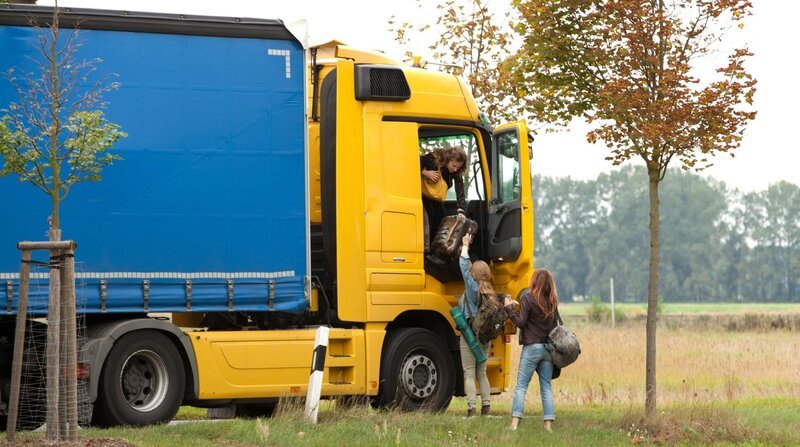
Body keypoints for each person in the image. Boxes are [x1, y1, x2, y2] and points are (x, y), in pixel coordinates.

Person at [503, 268, 559, 432]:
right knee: (546, 388)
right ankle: (548, 426)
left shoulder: (529, 298)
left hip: (531, 349)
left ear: (535, 282)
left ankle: (514, 424)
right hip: (547, 349)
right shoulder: (553, 301)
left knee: (521, 386)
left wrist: (509, 308)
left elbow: (520, 322)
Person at [457, 233, 494, 417]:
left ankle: (471, 411)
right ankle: (486, 409)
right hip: (485, 338)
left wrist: (465, 244)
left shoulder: (473, 288)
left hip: (469, 337)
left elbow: (463, 265)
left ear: (473, 276)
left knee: (469, 374)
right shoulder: (490, 291)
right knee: (482, 373)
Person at [420, 146, 467, 252]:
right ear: (448, 159)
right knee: (429, 217)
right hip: (424, 196)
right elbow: (414, 162)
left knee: (442, 219)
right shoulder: (434, 158)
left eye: (458, 167)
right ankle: (426, 251)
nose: (455, 169)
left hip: (436, 198)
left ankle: (436, 250)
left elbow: (460, 190)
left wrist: (461, 210)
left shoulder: (456, 172)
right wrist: (425, 172)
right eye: (453, 165)